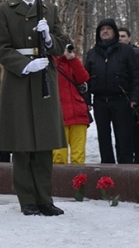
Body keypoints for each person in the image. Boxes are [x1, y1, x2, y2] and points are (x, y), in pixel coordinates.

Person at [0, 0, 68, 216]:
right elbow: (1, 49)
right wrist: (25, 65)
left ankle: (45, 198)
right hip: (20, 78)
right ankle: (27, 200)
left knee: (44, 142)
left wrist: (49, 39)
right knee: (22, 141)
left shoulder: (48, 9)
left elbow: (62, 45)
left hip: (44, 75)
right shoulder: (3, 11)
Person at [84, 19, 139, 164]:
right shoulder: (92, 53)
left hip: (122, 100)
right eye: (102, 29)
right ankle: (107, 169)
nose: (105, 31)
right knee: (103, 137)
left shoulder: (126, 51)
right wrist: (87, 100)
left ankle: (125, 170)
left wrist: (134, 97)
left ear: (114, 32)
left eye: (108, 28)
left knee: (124, 137)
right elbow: (85, 79)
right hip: (100, 101)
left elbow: (135, 76)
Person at [53, 44, 90, 164]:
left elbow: (83, 77)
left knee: (78, 156)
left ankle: (79, 182)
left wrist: (73, 59)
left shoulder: (73, 62)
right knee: (58, 156)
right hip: (59, 116)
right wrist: (58, 57)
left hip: (78, 114)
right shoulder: (50, 62)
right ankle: (58, 182)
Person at [118, 27, 139, 163]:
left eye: (123, 36)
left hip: (135, 101)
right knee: (122, 137)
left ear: (129, 38)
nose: (120, 39)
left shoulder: (136, 53)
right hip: (119, 101)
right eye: (118, 36)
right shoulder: (113, 54)